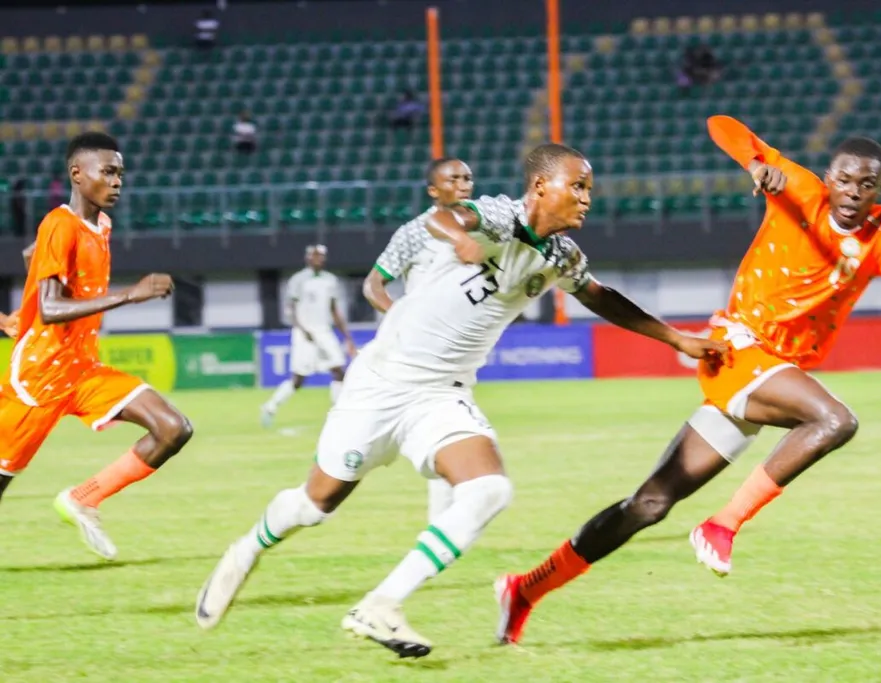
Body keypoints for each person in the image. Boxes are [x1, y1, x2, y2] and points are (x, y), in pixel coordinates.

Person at [195, 143, 727, 659]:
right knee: (315, 506)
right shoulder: (499, 215)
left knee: (489, 489)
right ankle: (246, 550)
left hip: (440, 394)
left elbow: (600, 296)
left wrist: (674, 338)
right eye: (579, 186)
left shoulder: (562, 254)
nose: (588, 198)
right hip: (382, 382)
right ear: (542, 186)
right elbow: (445, 219)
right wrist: (461, 238)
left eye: (590, 188)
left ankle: (382, 604)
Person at [493, 115, 881, 645]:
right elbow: (721, 125)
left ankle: (525, 589)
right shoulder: (797, 188)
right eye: (844, 180)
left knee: (649, 505)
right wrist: (756, 162)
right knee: (835, 420)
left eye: (866, 185)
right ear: (828, 177)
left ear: (880, 190)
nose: (852, 192)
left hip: (773, 371)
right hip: (739, 349)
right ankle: (722, 524)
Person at [0, 132, 194, 560]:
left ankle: (83, 498)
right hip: (38, 377)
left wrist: (24, 307)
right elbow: (51, 308)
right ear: (77, 173)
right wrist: (131, 294)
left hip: (83, 368)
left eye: (120, 173)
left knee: (173, 428)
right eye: (108, 171)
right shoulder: (59, 223)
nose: (118, 181)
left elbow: (34, 258)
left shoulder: (100, 225)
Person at [363, 157, 474, 524]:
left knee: (451, 435)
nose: (463, 184)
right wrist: (401, 320)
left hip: (455, 354)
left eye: (467, 178)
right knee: (372, 442)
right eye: (453, 178)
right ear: (433, 190)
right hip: (415, 353)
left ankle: (441, 529)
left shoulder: (483, 230)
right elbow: (373, 284)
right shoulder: (415, 232)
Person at [261, 244, 358, 427]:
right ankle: (270, 407)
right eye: (315, 256)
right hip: (304, 333)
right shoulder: (299, 280)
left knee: (339, 370)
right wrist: (302, 329)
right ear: (307, 258)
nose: (318, 259)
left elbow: (334, 309)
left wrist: (347, 336)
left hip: (324, 330)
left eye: (321, 256)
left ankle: (338, 414)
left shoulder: (330, 280)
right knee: (299, 379)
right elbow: (291, 309)